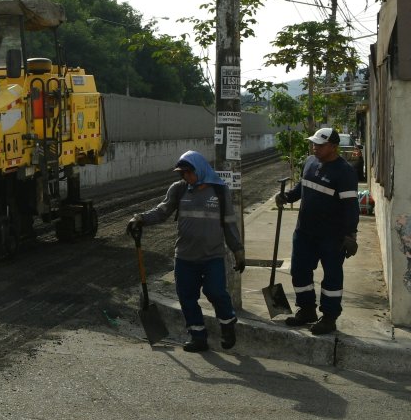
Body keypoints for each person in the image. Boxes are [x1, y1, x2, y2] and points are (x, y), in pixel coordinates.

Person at [127, 150, 245, 352]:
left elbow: (229, 223)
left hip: (212, 256)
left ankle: (227, 324)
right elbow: (162, 211)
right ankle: (197, 336)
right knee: (187, 296)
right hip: (185, 257)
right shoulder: (179, 190)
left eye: (189, 173)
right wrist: (140, 218)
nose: (186, 177)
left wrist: (238, 250)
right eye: (182, 174)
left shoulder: (219, 191)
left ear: (199, 169)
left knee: (215, 291)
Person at [274, 127, 360, 335]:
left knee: (331, 277)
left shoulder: (345, 172)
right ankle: (306, 310)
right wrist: (287, 197)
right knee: (299, 271)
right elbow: (303, 187)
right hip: (304, 232)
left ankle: (329, 317)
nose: (314, 147)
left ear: (333, 146)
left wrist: (351, 234)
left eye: (320, 145)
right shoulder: (310, 162)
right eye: (313, 143)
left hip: (332, 237)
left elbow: (351, 206)